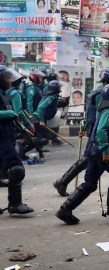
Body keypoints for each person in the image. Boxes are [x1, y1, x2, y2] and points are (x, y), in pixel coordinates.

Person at [55, 83, 109, 224]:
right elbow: (101, 131)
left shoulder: (108, 109)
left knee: (90, 183)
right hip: (102, 150)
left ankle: (65, 210)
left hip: (94, 149)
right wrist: (105, 152)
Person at [53, 69, 109, 197]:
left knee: (89, 158)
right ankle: (63, 181)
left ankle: (63, 181)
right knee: (91, 157)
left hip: (94, 127)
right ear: (108, 81)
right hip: (97, 130)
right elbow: (100, 113)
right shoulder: (102, 94)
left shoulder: (99, 91)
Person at [0, 66, 35, 215]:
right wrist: (10, 113)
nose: (10, 80)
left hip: (6, 133)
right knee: (17, 167)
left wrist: (21, 127)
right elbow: (11, 113)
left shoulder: (4, 94)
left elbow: (13, 116)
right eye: (7, 78)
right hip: (1, 137)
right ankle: (15, 204)